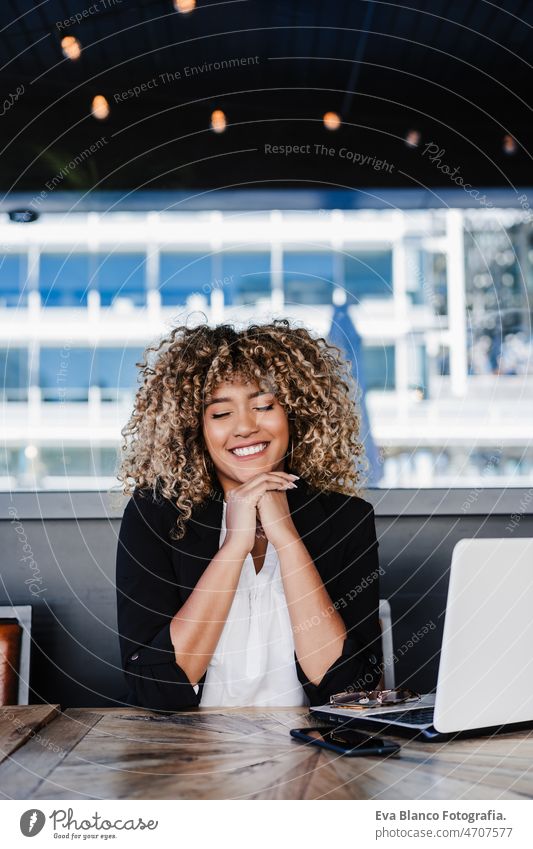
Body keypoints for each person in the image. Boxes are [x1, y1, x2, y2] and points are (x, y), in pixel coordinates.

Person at [115, 318, 383, 711]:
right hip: (186, 761)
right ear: (195, 428)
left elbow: (347, 690)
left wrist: (288, 541)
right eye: (221, 414)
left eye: (263, 405)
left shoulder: (347, 520)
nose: (245, 427)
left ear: (294, 413)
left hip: (314, 759)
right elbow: (154, 690)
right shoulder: (153, 518)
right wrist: (235, 545)